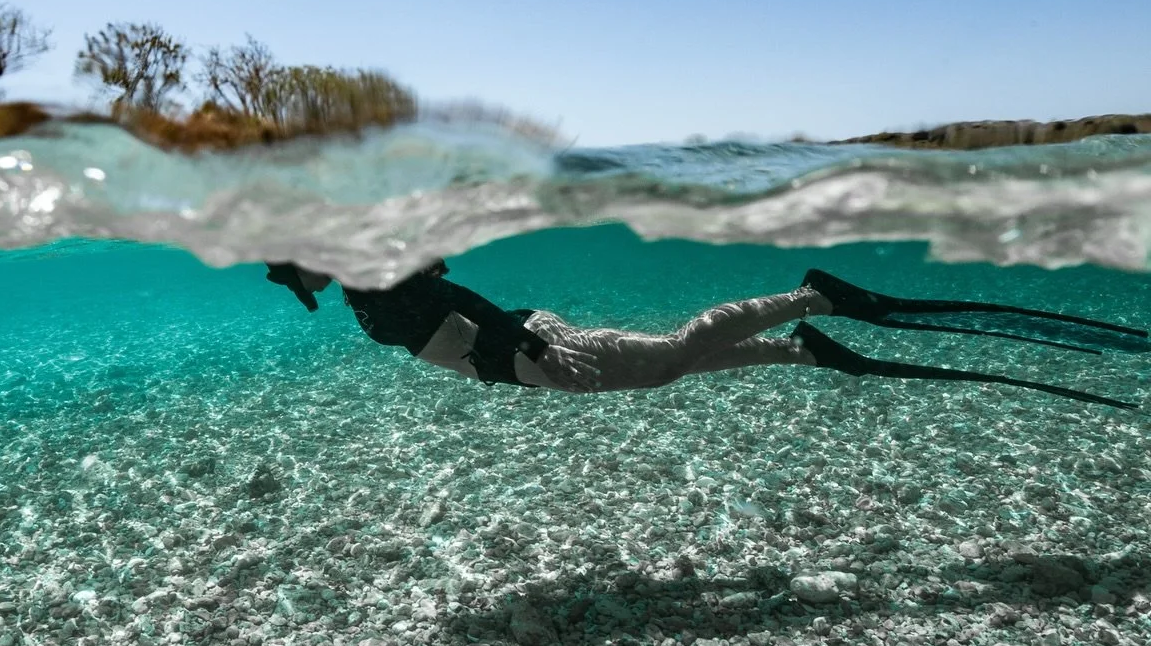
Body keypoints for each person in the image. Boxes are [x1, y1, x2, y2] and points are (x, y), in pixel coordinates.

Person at [265, 260, 1144, 407]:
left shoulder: (369, 276)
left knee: (673, 355)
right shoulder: (354, 285)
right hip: (513, 354)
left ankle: (813, 302)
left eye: (285, 271)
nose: (292, 285)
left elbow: (454, 290)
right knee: (664, 369)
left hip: (518, 349)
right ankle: (804, 346)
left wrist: (514, 340)